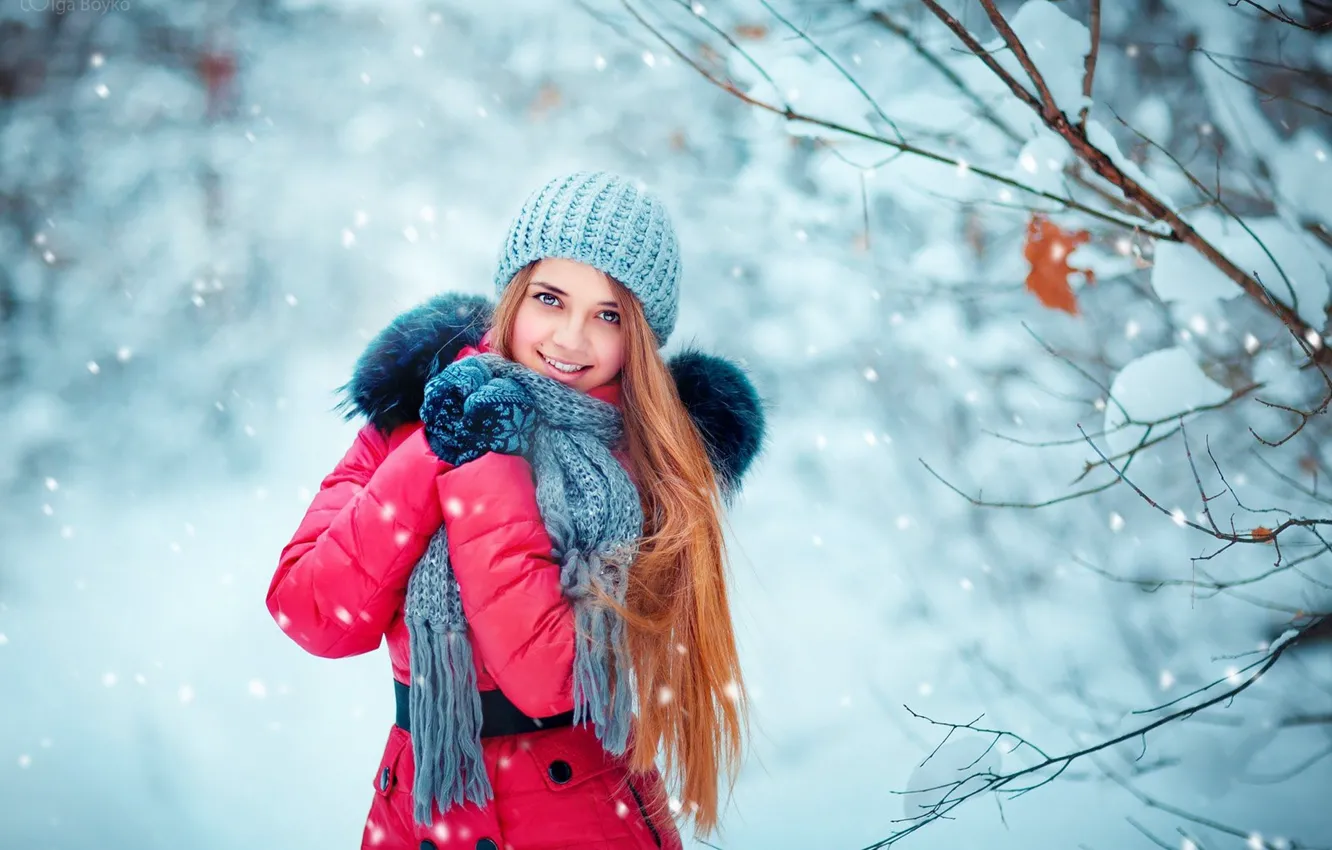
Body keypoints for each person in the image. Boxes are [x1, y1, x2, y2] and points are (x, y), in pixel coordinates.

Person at [266, 171, 766, 849]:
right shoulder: (409, 417)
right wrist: (433, 450)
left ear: (639, 339)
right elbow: (314, 614)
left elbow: (550, 679)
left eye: (608, 315)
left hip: (585, 827)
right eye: (551, 299)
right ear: (514, 292)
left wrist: (485, 464)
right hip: (416, 819)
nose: (570, 338)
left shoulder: (652, 472)